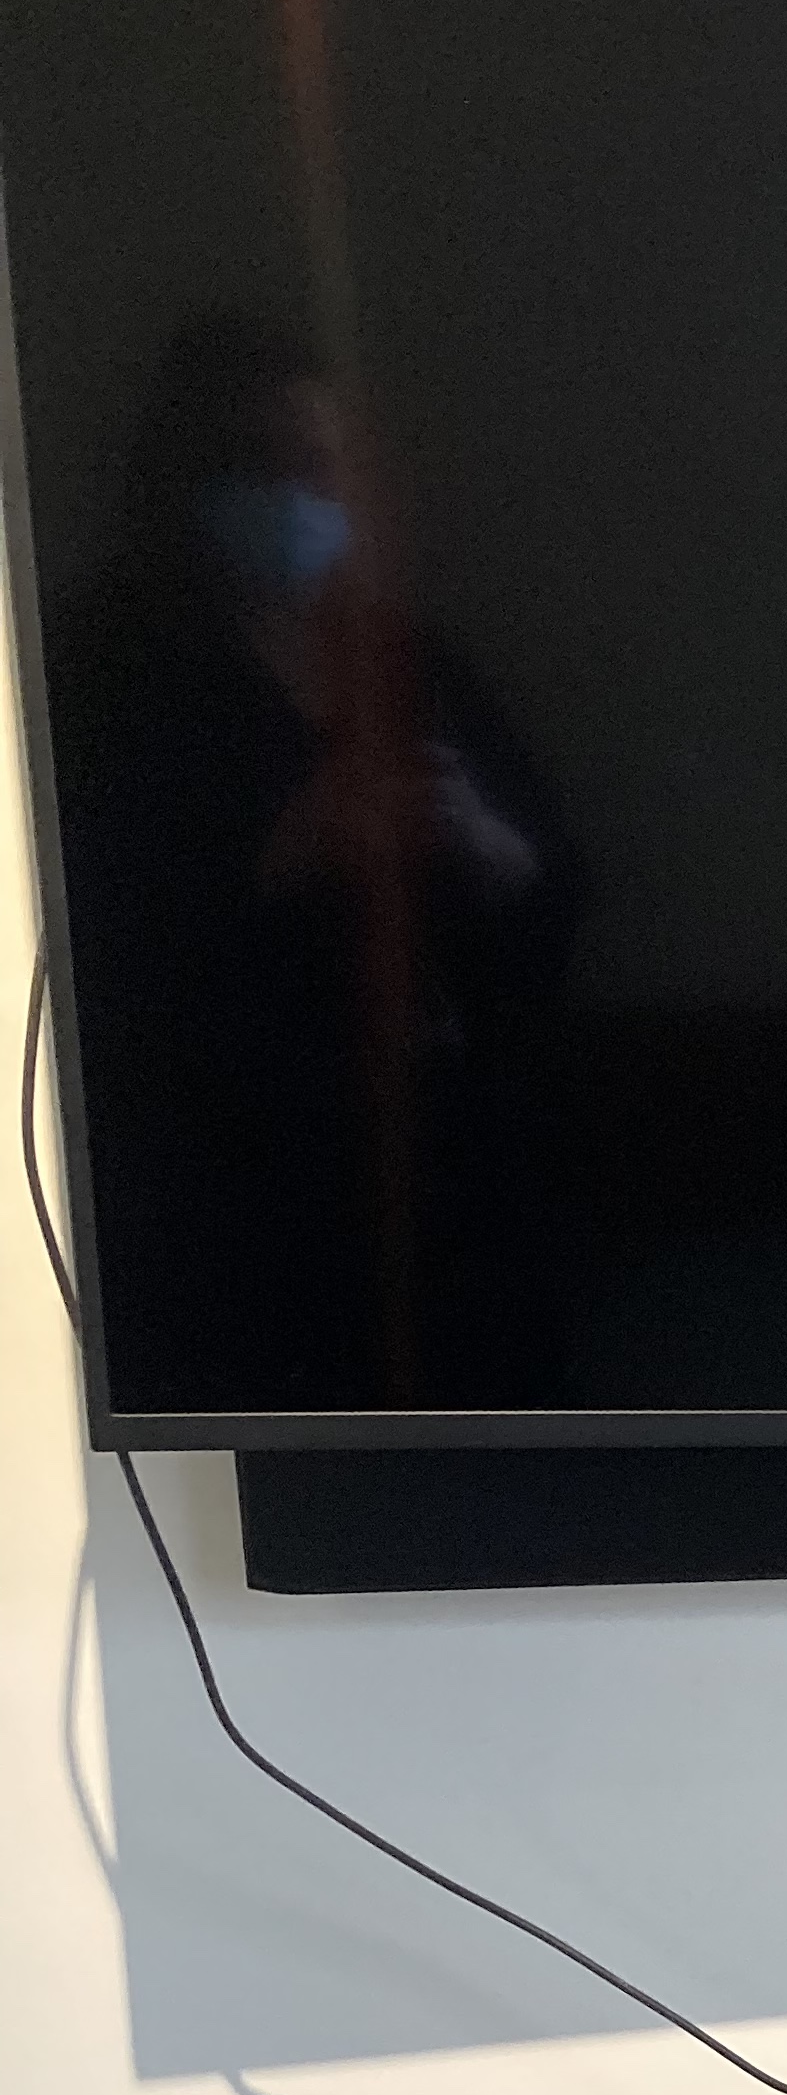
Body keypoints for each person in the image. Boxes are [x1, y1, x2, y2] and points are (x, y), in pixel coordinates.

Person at [57, 313, 580, 1408]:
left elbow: (560, 896)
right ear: (196, 478)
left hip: (457, 1191)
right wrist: (279, 856)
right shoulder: (108, 675)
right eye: (275, 464)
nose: (310, 495)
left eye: (330, 464)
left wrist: (484, 841)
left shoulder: (409, 659)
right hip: (238, 1212)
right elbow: (89, 955)